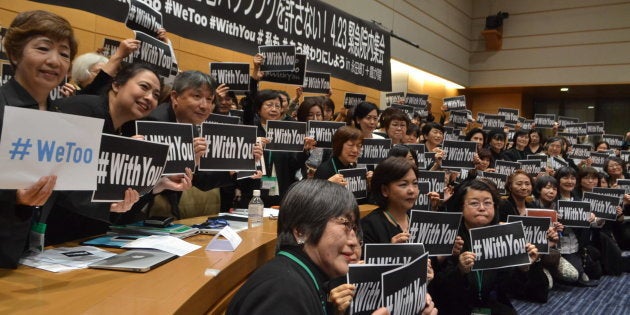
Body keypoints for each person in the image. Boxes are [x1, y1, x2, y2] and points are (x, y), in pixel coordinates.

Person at [50, 63, 193, 243]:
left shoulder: (127, 129)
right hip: (49, 234)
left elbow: (120, 201)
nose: (149, 98)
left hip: (86, 237)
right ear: (117, 85)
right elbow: (59, 181)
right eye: (144, 87)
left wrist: (159, 184)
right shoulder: (83, 111)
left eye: (156, 95)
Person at [227, 180, 400, 315]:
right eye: (345, 224)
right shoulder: (282, 291)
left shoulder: (303, 277)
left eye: (355, 228)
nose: (354, 242)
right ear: (302, 231)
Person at [0, 10, 77, 268]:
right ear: (14, 54)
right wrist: (14, 195)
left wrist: (113, 200)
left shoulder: (63, 117)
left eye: (64, 53)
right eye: (43, 48)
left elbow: (69, 187)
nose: (55, 61)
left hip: (40, 256)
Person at [432, 179, 549, 314]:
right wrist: (460, 271)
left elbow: (513, 289)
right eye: (474, 203)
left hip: (490, 306)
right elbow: (437, 289)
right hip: (455, 307)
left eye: (487, 203)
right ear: (461, 207)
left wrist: (523, 268)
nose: (482, 208)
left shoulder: (504, 235)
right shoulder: (448, 236)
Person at [361, 157, 419, 244]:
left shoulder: (419, 220)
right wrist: (389, 251)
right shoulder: (369, 226)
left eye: (415, 183)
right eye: (403, 184)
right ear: (385, 190)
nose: (412, 190)